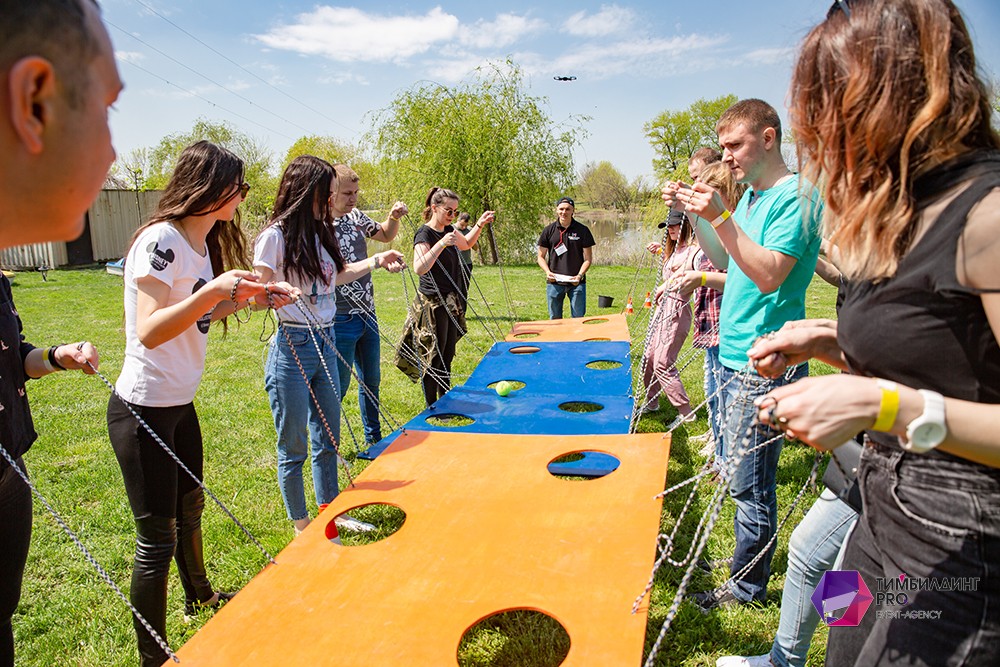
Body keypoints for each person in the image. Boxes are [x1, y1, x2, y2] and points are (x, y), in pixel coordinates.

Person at [747, 2, 1000, 665]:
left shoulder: (989, 213)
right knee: (842, 643)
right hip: (879, 513)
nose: (825, 128)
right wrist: (833, 343)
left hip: (962, 551)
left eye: (837, 98)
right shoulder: (900, 209)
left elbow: (915, 394)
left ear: (905, 89)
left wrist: (883, 404)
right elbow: (943, 351)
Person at [107, 141, 293, 667]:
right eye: (237, 187)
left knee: (191, 509)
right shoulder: (160, 240)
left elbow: (202, 311)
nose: (242, 197)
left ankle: (201, 596)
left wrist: (254, 297)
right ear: (210, 189)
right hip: (142, 410)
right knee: (155, 539)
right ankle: (155, 656)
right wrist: (213, 291)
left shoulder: (202, 245)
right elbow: (149, 330)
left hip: (178, 405)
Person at [662, 98, 821, 611]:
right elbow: (725, 258)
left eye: (735, 144)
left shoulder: (795, 196)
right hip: (732, 354)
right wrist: (700, 214)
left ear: (768, 138)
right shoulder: (751, 197)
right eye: (723, 145)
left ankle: (747, 589)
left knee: (751, 485)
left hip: (766, 360)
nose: (726, 156)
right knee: (736, 473)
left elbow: (770, 271)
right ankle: (745, 573)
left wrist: (720, 212)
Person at [0, 2, 122, 665]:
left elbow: (7, 357)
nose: (113, 149)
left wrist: (51, 356)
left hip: (10, 470)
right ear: (34, 102)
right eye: (108, 106)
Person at [254, 156, 404, 535]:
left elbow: (336, 276)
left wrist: (376, 258)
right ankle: (302, 527)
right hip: (293, 346)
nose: (333, 198)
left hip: (327, 337)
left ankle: (332, 511)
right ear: (307, 192)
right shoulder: (275, 236)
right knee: (294, 445)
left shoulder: (323, 232)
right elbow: (258, 294)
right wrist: (274, 292)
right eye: (327, 192)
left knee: (328, 436)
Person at [329, 164, 407, 449]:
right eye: (347, 193)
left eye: (356, 193)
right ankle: (329, 446)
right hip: (339, 317)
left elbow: (385, 235)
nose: (353, 199)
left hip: (367, 313)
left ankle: (374, 439)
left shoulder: (356, 216)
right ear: (330, 192)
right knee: (336, 389)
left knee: (371, 381)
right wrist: (375, 262)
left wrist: (392, 218)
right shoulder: (320, 227)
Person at [673, 161, 743, 460]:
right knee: (715, 393)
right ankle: (719, 448)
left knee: (728, 398)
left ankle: (725, 456)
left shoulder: (738, 222)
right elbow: (715, 257)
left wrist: (700, 278)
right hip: (710, 321)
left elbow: (733, 270)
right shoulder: (717, 225)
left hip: (729, 325)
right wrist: (689, 209)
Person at [411, 187, 493, 406]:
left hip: (450, 299)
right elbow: (419, 267)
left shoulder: (450, 230)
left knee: (447, 353)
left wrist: (480, 225)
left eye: (455, 212)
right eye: (448, 211)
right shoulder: (425, 234)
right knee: (433, 355)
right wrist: (440, 244)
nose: (452, 216)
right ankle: (430, 405)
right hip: (432, 304)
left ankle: (444, 399)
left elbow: (466, 244)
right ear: (434, 207)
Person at [641, 210, 697, 428]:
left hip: (677, 312)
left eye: (675, 226)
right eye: (669, 227)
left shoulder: (694, 251)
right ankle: (652, 402)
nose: (671, 230)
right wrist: (661, 251)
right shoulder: (674, 251)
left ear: (686, 226)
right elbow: (671, 267)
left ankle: (687, 413)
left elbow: (685, 273)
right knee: (649, 357)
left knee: (663, 363)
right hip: (662, 311)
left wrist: (667, 284)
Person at [537, 196, 595, 319]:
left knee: (578, 319)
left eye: (568, 209)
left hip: (576, 283)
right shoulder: (548, 230)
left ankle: (577, 338)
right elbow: (540, 257)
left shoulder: (583, 230)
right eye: (561, 209)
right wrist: (547, 272)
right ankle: (557, 338)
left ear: (573, 210)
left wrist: (579, 275)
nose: (564, 212)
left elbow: (588, 259)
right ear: (556, 210)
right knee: (555, 320)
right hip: (554, 283)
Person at [455, 212, 477, 314]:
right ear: (458, 220)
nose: (463, 227)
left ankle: (462, 313)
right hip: (455, 264)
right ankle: (453, 312)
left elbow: (476, 248)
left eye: (465, 225)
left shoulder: (470, 230)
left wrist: (473, 241)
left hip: (466, 263)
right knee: (455, 288)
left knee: (464, 289)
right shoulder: (451, 229)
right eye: (462, 225)